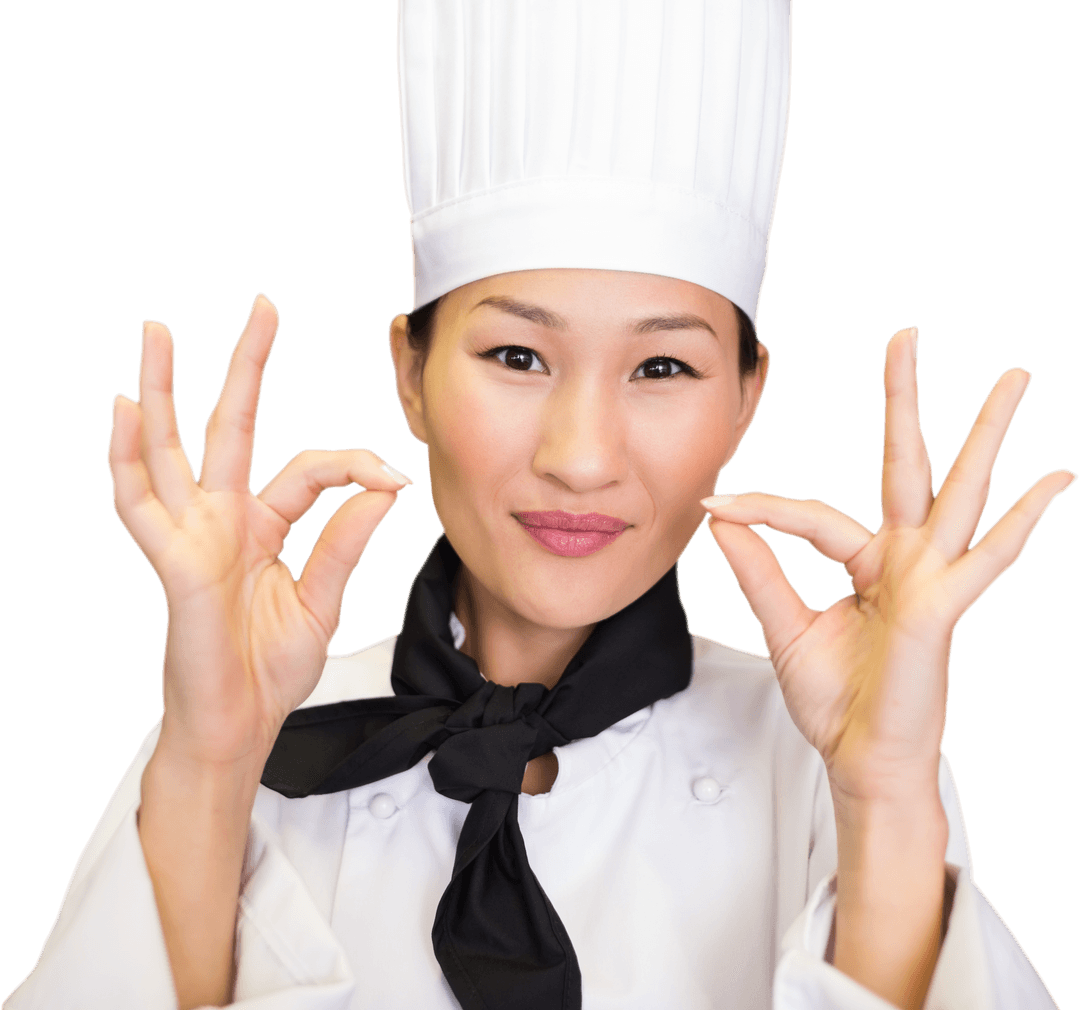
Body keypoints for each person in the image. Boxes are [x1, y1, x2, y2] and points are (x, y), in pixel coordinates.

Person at [5, 2, 1070, 1009]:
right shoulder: (247, 729)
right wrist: (211, 761)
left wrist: (887, 793)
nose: (580, 456)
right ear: (410, 372)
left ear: (748, 398)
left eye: (662, 367)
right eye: (518, 354)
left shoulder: (832, 758)